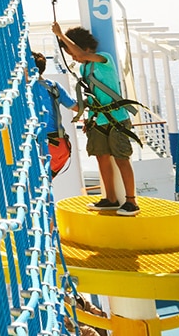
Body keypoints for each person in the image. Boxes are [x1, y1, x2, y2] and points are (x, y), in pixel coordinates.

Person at [52, 22, 139, 216]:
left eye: (73, 53)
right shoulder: (84, 69)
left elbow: (82, 55)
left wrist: (60, 35)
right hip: (98, 120)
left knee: (122, 159)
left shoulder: (104, 59)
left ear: (85, 46)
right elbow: (92, 95)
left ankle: (131, 202)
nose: (75, 58)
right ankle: (110, 198)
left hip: (116, 119)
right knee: (102, 158)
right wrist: (89, 119)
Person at [30, 52, 77, 178]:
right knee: (45, 184)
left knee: (34, 186)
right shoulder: (54, 86)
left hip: (43, 146)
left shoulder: (26, 89)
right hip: (60, 146)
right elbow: (76, 107)